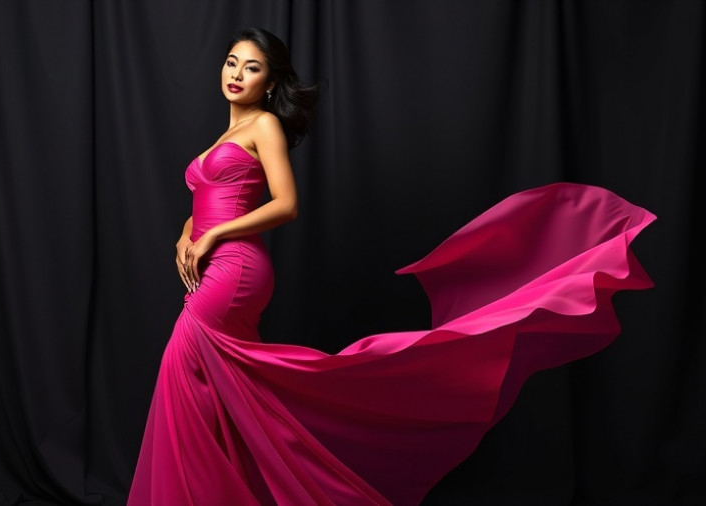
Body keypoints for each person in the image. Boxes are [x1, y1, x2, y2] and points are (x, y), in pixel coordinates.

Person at [127, 28, 656, 505]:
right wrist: (185, 233)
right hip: (212, 261)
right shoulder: (220, 138)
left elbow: (285, 204)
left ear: (270, 83)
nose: (237, 74)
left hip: (236, 269)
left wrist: (214, 233)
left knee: (184, 363)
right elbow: (209, 195)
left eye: (252, 67)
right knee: (220, 385)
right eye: (231, 62)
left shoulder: (264, 125)